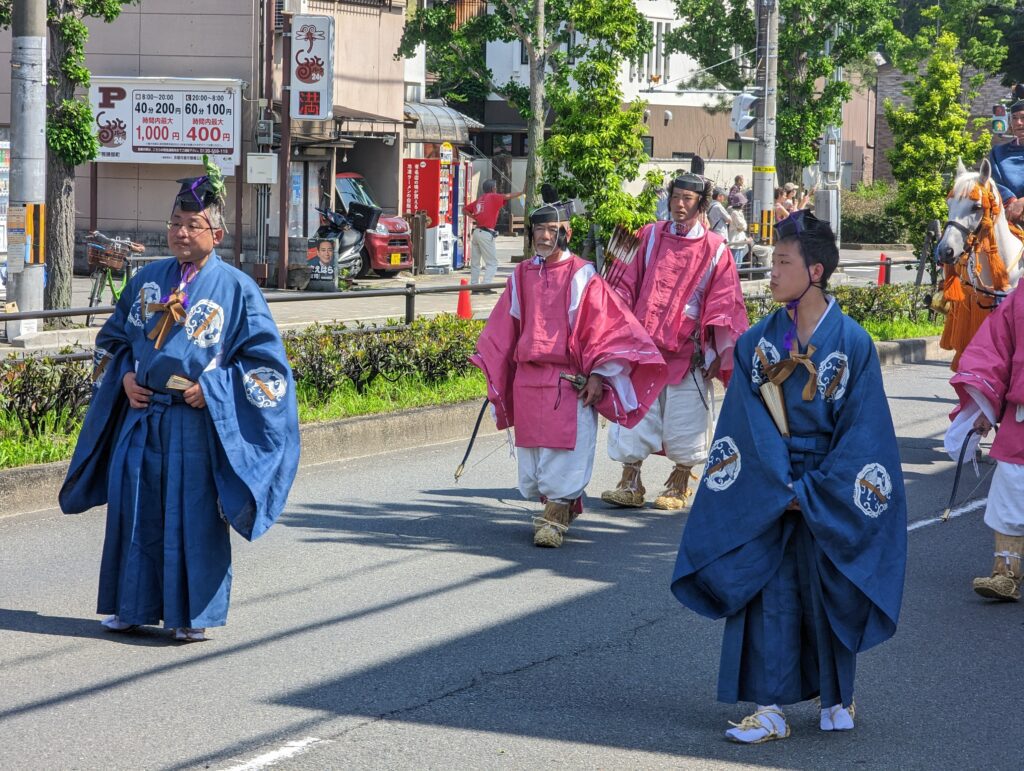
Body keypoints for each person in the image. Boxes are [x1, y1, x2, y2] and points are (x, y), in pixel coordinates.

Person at [671, 210, 907, 743]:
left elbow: (865, 435)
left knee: (833, 587)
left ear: (816, 271)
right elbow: (743, 427)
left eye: (782, 262)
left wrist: (816, 491)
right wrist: (780, 488)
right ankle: (771, 709)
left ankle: (837, 697)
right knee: (769, 590)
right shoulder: (758, 343)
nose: (770, 271)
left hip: (832, 482)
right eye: (771, 261)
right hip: (769, 485)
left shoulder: (853, 343)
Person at [60, 158, 300, 642]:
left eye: (193, 224)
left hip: (195, 421)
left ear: (217, 232)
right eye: (174, 223)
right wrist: (125, 377)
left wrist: (212, 390)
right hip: (142, 415)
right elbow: (112, 341)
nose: (181, 233)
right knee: (133, 511)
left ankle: (193, 616)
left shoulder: (237, 288)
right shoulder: (148, 279)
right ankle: (129, 607)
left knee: (191, 517)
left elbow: (267, 367)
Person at [471, 201, 667, 548]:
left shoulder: (582, 274)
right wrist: (494, 365)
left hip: (569, 379)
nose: (544, 237)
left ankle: (556, 516)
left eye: (551, 230)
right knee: (533, 466)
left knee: (563, 455)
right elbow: (506, 327)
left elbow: (602, 328)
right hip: (529, 379)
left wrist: (598, 375)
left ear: (565, 233)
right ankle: (561, 504)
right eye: (538, 231)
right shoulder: (521, 274)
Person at [600, 174, 747, 511]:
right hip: (644, 348)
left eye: (688, 199)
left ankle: (680, 484)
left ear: (702, 204)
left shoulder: (715, 249)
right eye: (676, 197)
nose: (680, 205)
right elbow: (624, 285)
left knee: (686, 420)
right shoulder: (649, 236)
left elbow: (725, 303)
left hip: (689, 352)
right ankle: (630, 481)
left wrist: (719, 350)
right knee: (636, 414)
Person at [945, 283, 1024, 601]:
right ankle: (1006, 573)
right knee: (1009, 494)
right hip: (1021, 417)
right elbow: (995, 350)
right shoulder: (1020, 298)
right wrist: (986, 409)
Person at [465, 179, 523, 289]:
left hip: (477, 232)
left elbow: (465, 210)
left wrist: (474, 218)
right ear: (492, 188)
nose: (496, 189)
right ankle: (486, 285)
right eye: (495, 187)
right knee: (492, 263)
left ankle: (474, 285)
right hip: (486, 233)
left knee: (476, 262)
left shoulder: (480, 199)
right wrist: (521, 193)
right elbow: (507, 196)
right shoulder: (493, 196)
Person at [989, 89, 1024, 225]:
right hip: (1008, 215)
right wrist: (1012, 202)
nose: (1019, 123)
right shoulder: (998, 153)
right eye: (1014, 118)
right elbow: (993, 182)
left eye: (1023, 118)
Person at [726, 201, 752, 269]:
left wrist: (743, 227)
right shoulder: (734, 212)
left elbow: (742, 227)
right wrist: (743, 227)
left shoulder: (739, 212)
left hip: (740, 240)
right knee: (735, 263)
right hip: (735, 240)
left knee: (738, 263)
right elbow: (742, 226)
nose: (744, 205)